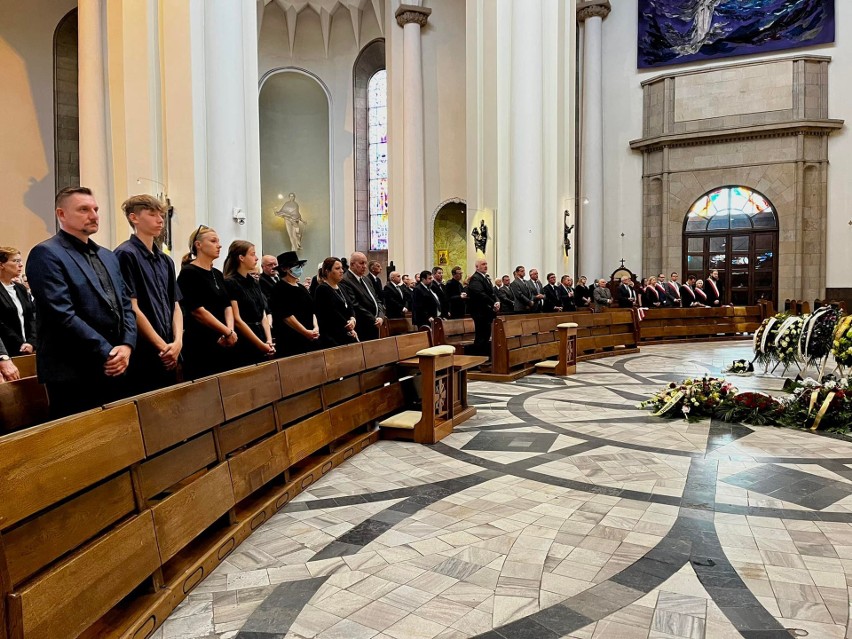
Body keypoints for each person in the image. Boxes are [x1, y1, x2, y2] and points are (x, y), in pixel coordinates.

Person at [27, 186, 137, 418]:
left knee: (119, 438)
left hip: (116, 365)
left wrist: (127, 346)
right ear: (61, 214)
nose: (94, 215)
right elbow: (62, 314)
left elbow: (125, 305)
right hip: (73, 371)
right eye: (84, 209)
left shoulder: (107, 255)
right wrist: (108, 352)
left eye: (96, 209)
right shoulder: (46, 254)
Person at [114, 195, 183, 393]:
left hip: (171, 348)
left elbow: (175, 305)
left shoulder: (166, 260)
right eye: (152, 214)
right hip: (144, 351)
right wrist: (163, 347)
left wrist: (177, 342)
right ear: (134, 218)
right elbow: (131, 307)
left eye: (161, 215)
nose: (160, 220)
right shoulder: (125, 254)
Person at [177, 225, 238, 380]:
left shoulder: (217, 274)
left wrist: (230, 331)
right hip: (201, 343)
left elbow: (227, 305)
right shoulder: (189, 273)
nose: (219, 245)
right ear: (199, 245)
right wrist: (227, 332)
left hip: (224, 340)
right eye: (213, 241)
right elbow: (197, 311)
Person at [224, 241, 275, 366]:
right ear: (241, 258)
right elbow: (237, 319)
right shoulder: (231, 282)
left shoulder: (254, 282)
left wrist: (268, 340)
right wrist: (260, 344)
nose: (256, 258)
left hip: (261, 335)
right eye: (252, 254)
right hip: (246, 339)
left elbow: (262, 314)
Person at [269, 251, 319, 356]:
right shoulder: (279, 289)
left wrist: (315, 327)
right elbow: (286, 316)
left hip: (310, 336)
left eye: (299, 266)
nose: (299, 268)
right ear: (284, 269)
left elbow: (312, 309)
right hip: (291, 339)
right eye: (295, 266)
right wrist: (305, 332)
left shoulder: (301, 287)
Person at [340, 251, 385, 341]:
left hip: (374, 324)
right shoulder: (345, 280)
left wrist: (380, 316)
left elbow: (376, 299)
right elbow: (355, 304)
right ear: (352, 264)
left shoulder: (366, 279)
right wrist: (373, 319)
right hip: (362, 325)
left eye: (365, 263)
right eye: (361, 263)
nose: (364, 266)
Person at [0, 247, 36, 357]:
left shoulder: (21, 288)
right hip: (7, 350)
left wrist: (31, 342)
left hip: (28, 348)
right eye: (16, 261)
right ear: (1, 265)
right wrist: (20, 344)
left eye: (20, 261)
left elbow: (31, 318)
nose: (20, 265)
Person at [314, 257, 358, 347]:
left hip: (346, 333)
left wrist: (353, 319)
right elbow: (331, 313)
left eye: (342, 268)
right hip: (331, 337)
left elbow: (350, 306)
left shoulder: (342, 287)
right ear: (327, 271)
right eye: (337, 268)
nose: (342, 271)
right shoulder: (322, 289)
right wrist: (348, 325)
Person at [466, 258, 499, 355]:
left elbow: (492, 293)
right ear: (477, 267)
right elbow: (480, 294)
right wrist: (493, 303)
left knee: (486, 335)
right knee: (481, 336)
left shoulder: (485, 278)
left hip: (486, 312)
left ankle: (485, 356)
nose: (486, 266)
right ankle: (479, 357)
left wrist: (497, 302)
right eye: (483, 264)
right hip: (480, 312)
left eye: (486, 264)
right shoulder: (475, 278)